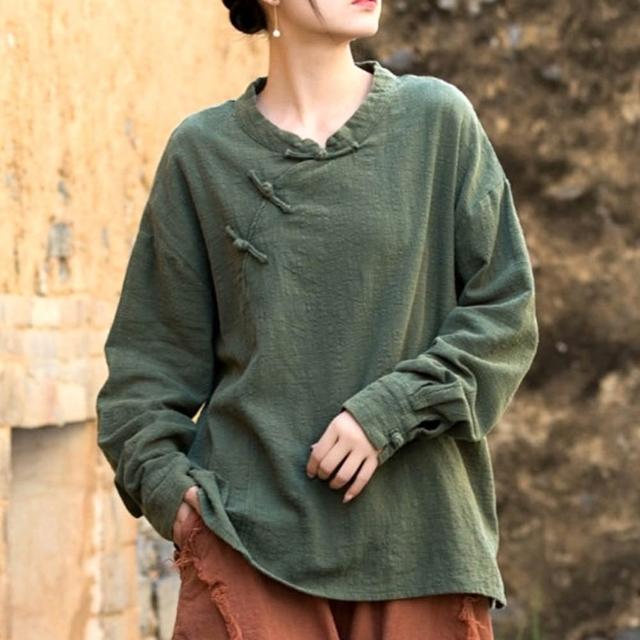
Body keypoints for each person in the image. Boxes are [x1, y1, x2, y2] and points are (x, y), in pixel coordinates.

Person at [95, 0, 539, 638]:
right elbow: (146, 370)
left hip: (420, 546)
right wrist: (177, 498)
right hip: (247, 556)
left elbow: (505, 312)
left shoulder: (437, 121)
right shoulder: (202, 152)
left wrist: (389, 411)